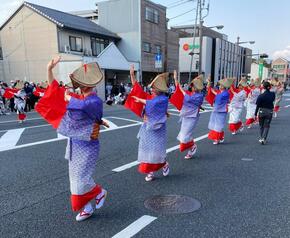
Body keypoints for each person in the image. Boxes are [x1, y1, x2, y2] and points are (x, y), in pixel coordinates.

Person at [36, 57, 109, 222]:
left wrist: (70, 99)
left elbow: (85, 107)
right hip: (75, 143)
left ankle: (98, 192)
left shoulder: (93, 100)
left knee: (81, 179)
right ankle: (87, 208)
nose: (79, 85)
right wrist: (49, 69)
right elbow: (54, 90)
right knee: (74, 179)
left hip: (88, 145)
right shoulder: (79, 97)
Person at [126, 65, 169, 182]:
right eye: (152, 87)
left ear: (159, 89)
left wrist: (140, 100)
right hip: (147, 127)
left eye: (153, 88)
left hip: (158, 128)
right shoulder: (150, 96)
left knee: (156, 150)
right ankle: (151, 171)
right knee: (147, 149)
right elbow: (137, 89)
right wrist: (132, 75)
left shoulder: (163, 99)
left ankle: (163, 164)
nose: (151, 89)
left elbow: (153, 104)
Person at [173, 70, 204, 159]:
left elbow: (189, 98)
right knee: (185, 134)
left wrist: (182, 91)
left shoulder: (199, 95)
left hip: (192, 117)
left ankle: (192, 146)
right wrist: (176, 79)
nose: (191, 87)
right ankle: (191, 148)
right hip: (186, 116)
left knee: (185, 136)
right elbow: (179, 89)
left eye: (193, 86)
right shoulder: (191, 93)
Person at [206, 78, 233, 145]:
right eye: (220, 85)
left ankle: (217, 139)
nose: (220, 86)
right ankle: (220, 137)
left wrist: (214, 92)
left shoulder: (226, 93)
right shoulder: (219, 92)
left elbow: (218, 96)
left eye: (222, 86)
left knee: (219, 125)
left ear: (225, 87)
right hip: (216, 110)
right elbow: (210, 90)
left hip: (222, 111)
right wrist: (209, 83)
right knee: (216, 124)